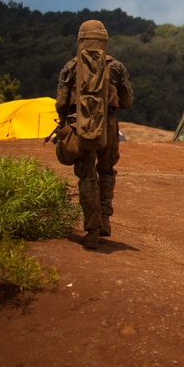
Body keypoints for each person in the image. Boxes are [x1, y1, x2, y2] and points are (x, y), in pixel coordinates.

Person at [55, 20, 134, 249]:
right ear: (105, 41)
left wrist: (65, 123)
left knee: (87, 175)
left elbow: (61, 102)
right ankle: (106, 219)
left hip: (80, 126)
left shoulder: (70, 67)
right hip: (109, 127)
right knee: (107, 170)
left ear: (80, 40)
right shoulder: (117, 67)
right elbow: (127, 101)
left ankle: (92, 230)